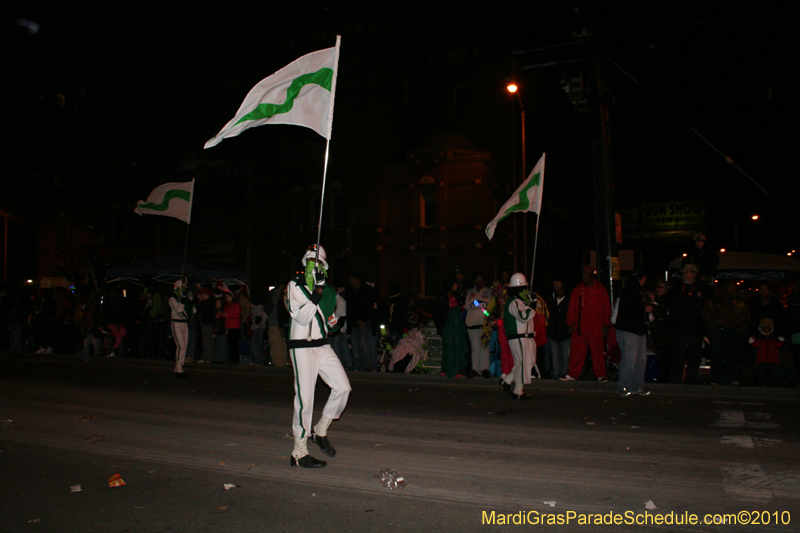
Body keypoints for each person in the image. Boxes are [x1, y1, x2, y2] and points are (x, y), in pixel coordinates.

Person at [286, 245, 351, 468]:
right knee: (305, 398)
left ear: (324, 266)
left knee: (343, 387)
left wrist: (332, 323)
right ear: (305, 263)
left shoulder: (329, 290)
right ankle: (299, 451)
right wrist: (317, 292)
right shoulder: (295, 285)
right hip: (301, 346)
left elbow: (327, 321)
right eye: (310, 261)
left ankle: (320, 430)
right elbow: (302, 317)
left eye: (318, 263)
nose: (314, 266)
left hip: (322, 345)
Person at [560, 266, 611, 383]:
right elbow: (572, 307)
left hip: (596, 327)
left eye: (587, 274)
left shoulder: (600, 289)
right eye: (583, 274)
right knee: (576, 352)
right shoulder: (578, 289)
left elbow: (606, 308)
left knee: (597, 353)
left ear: (592, 275)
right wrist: (570, 322)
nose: (585, 276)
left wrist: (606, 323)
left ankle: (601, 374)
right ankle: (573, 373)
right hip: (580, 327)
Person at [664, 263, 712, 384]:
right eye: (683, 273)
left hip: (696, 328)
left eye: (686, 273)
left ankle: (691, 380)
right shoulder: (678, 287)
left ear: (693, 274)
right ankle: (675, 380)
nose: (684, 275)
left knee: (694, 356)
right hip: (680, 327)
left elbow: (708, 307)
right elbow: (669, 301)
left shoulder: (703, 288)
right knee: (677, 356)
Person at [703, 280, 750, 386]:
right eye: (731, 287)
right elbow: (706, 315)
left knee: (733, 356)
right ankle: (716, 378)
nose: (733, 290)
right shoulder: (714, 301)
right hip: (718, 331)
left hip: (733, 332)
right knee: (717, 356)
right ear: (724, 289)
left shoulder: (740, 303)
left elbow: (745, 318)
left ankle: (732, 377)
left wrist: (739, 330)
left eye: (735, 288)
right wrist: (712, 329)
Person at [615, 269, 653, 397]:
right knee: (630, 359)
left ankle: (636, 386)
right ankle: (624, 385)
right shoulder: (632, 289)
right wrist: (645, 308)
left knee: (639, 360)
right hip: (630, 329)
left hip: (637, 329)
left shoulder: (633, 289)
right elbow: (632, 307)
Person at [500, 273, 535, 400]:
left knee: (528, 362)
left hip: (525, 336)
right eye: (525, 288)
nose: (527, 291)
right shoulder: (514, 302)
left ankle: (508, 380)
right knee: (522, 362)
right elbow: (523, 316)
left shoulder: (519, 301)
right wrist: (532, 306)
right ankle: (518, 391)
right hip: (519, 336)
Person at [463, 273, 492, 378]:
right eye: (477, 279)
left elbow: (492, 307)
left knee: (485, 346)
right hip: (472, 323)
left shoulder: (489, 291)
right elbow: (466, 307)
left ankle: (485, 369)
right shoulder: (470, 292)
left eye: (481, 279)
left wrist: (489, 316)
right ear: (474, 281)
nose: (480, 281)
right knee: (475, 347)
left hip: (485, 324)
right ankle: (475, 369)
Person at [546, 280, 571, 379]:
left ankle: (565, 377)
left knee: (565, 358)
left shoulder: (569, 299)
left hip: (565, 334)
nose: (555, 285)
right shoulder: (550, 299)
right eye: (554, 282)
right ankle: (556, 378)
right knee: (555, 358)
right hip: (553, 334)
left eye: (558, 282)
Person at [749, 318, 784, 387]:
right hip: (761, 360)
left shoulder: (774, 339)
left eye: (766, 327)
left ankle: (771, 385)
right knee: (761, 374)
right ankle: (762, 384)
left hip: (773, 360)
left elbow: (778, 345)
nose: (764, 329)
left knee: (772, 374)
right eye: (763, 328)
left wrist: (781, 341)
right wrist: (752, 340)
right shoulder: (760, 338)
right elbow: (754, 344)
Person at [169, 279, 191, 377]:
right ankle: (179, 367)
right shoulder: (172, 299)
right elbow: (178, 310)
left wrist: (191, 303)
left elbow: (191, 310)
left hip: (184, 323)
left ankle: (178, 367)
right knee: (181, 345)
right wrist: (183, 302)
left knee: (184, 346)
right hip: (176, 323)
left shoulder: (185, 298)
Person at [249, 297, 267, 366]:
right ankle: (254, 360)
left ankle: (258, 361)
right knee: (253, 344)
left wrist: (261, 324)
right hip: (255, 328)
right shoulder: (254, 309)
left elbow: (265, 316)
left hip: (258, 329)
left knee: (256, 345)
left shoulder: (258, 308)